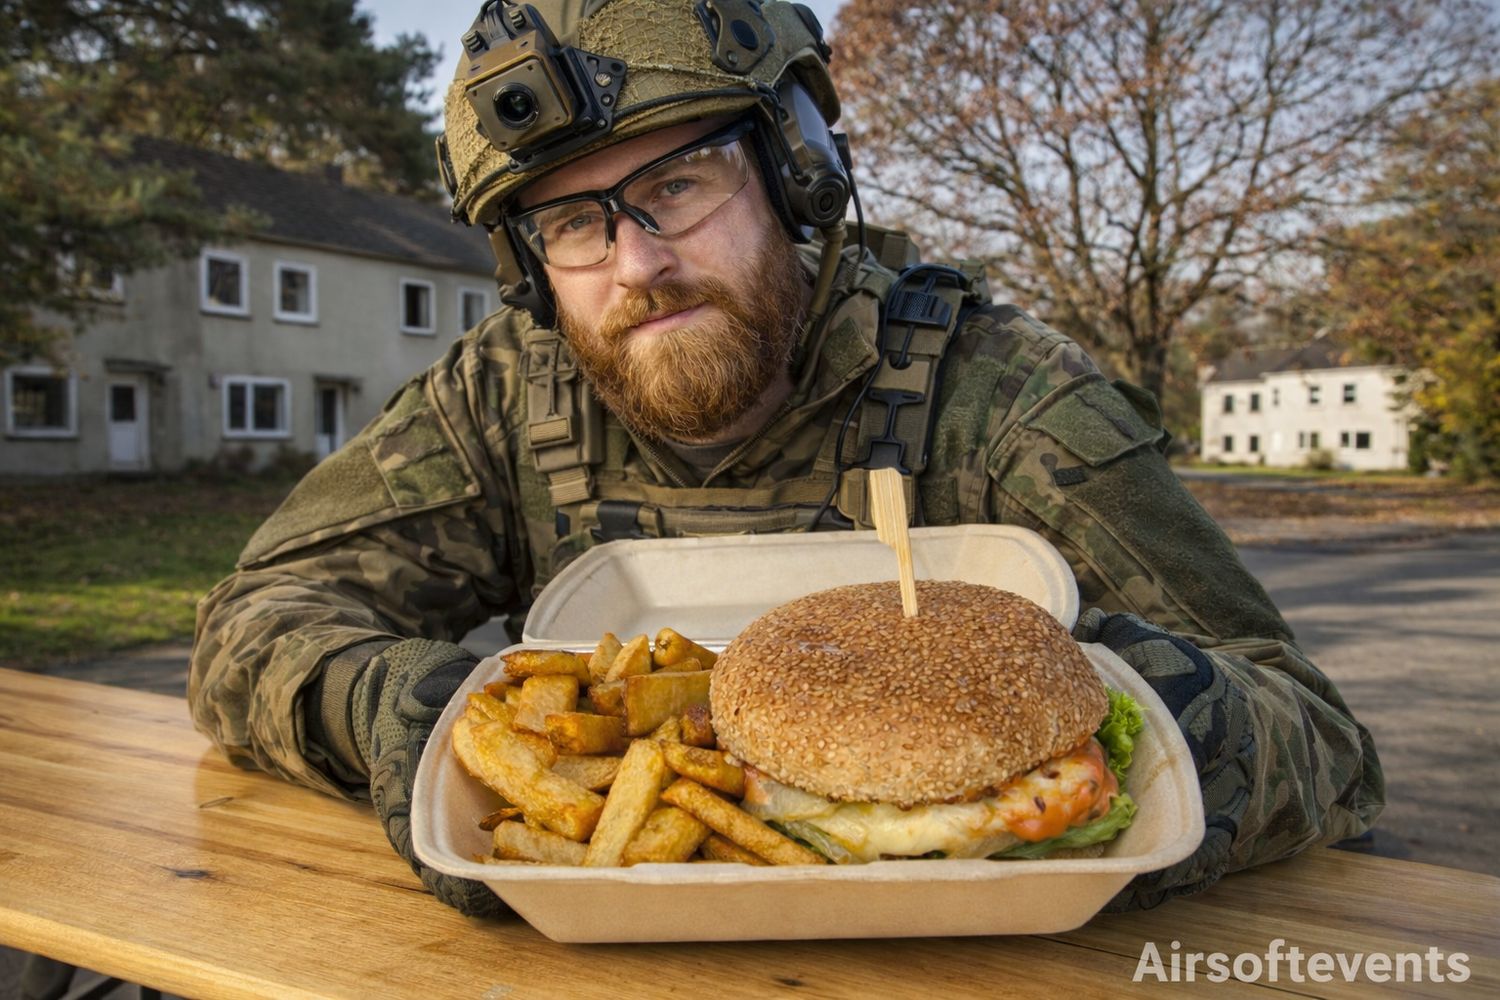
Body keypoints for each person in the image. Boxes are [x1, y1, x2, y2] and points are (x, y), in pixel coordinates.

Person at [189, 0, 1383, 917]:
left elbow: (1322, 743)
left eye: (675, 182)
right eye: (570, 224)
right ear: (528, 270)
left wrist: (1096, 699)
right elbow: (253, 620)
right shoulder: (501, 399)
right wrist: (409, 719)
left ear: (796, 169)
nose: (635, 262)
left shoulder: (1001, 396)